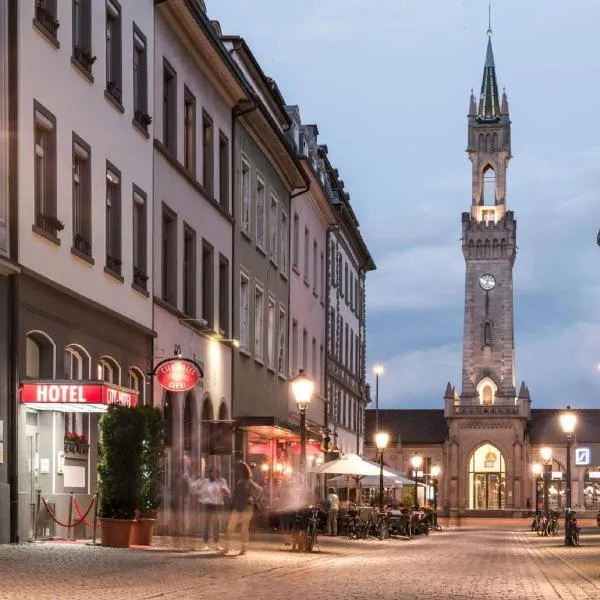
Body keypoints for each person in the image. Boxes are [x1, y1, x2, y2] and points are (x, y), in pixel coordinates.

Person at [223, 462, 263, 556]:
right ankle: (226, 547)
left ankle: (244, 548)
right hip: (237, 506)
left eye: (237, 469)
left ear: (242, 470)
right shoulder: (238, 480)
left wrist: (254, 499)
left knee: (244, 529)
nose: (235, 471)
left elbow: (260, 489)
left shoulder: (248, 481)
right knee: (230, 527)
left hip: (247, 507)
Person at [190, 465, 230, 551]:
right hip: (207, 505)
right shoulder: (206, 481)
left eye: (215, 472)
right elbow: (193, 486)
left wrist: (225, 491)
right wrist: (199, 482)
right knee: (206, 525)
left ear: (218, 473)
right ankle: (205, 544)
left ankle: (216, 544)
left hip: (217, 505)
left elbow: (227, 491)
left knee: (217, 525)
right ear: (210, 473)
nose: (214, 474)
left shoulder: (222, 481)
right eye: (212, 472)